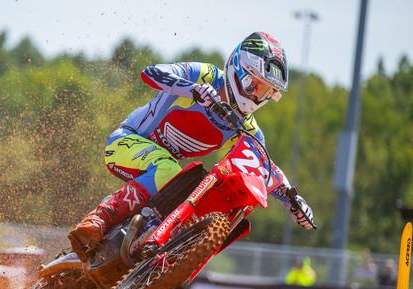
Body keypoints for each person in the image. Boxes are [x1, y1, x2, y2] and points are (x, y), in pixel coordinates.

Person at [68, 32, 316, 260]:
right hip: (126, 142)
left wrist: (293, 200)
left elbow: (263, 167)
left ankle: (148, 260)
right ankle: (100, 217)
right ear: (237, 69)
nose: (255, 96)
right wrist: (193, 90)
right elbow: (151, 72)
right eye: (253, 84)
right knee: (169, 170)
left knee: (192, 190)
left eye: (265, 92)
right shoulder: (204, 75)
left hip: (161, 169)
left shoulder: (247, 127)